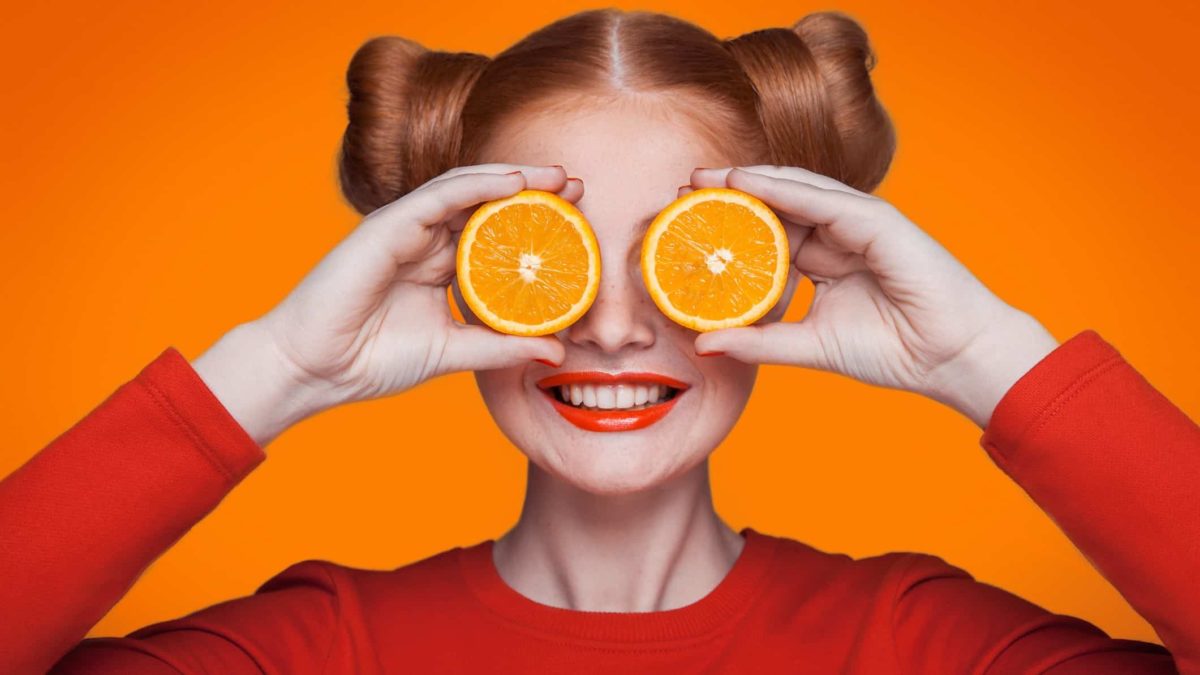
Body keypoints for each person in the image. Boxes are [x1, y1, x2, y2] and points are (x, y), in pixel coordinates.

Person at [1, 7, 1196, 674]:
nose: (616, 329)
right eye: (544, 260)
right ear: (461, 276)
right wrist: (276, 368)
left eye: (685, 257)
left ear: (780, 271)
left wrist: (987, 358)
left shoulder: (924, 647)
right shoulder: (315, 651)